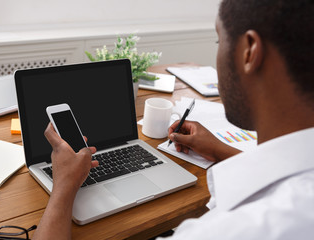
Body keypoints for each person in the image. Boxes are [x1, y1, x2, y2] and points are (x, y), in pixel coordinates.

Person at [32, 0, 314, 239]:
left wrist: (63, 188)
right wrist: (219, 150)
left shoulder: (231, 230)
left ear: (249, 51)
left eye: (219, 40)